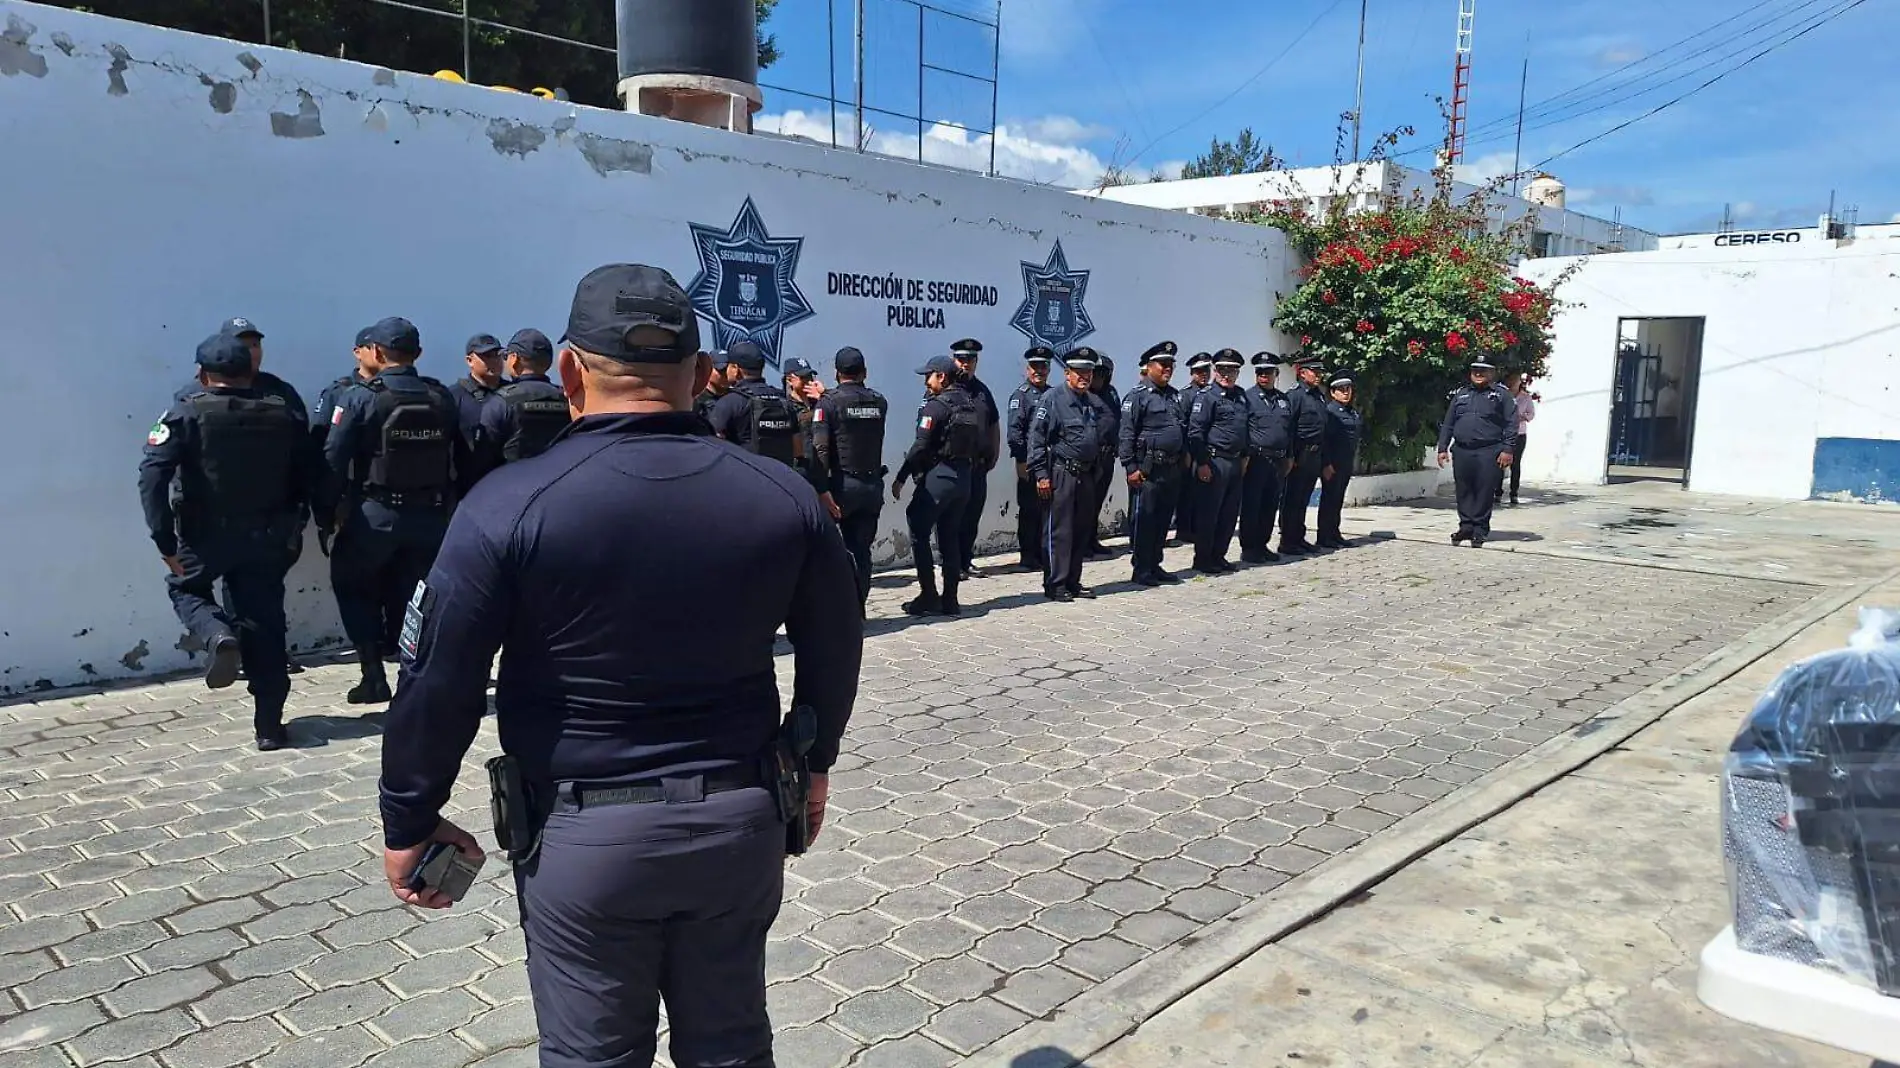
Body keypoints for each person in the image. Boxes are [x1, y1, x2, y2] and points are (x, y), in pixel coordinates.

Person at [375, 263, 861, 1068]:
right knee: (733, 1047)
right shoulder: (784, 496)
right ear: (704, 377)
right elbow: (835, 647)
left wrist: (409, 817)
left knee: (593, 1057)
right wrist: (813, 767)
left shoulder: (506, 504)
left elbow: (439, 680)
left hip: (583, 842)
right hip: (740, 823)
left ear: (570, 370)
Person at [140, 333, 318, 750]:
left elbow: (152, 476)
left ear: (202, 374)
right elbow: (311, 470)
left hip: (206, 536)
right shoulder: (282, 411)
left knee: (186, 590)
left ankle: (217, 633)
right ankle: (270, 728)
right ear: (249, 370)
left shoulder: (185, 412)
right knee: (266, 627)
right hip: (268, 536)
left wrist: (164, 539)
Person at [318, 316, 469, 704]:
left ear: (378, 352)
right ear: (417, 353)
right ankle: (415, 677)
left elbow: (333, 458)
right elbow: (462, 454)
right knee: (417, 597)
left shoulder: (362, 396)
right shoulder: (440, 396)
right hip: (431, 517)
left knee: (354, 588)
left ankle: (373, 676)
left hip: (375, 516)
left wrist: (324, 513)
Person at [177, 317, 312, 676]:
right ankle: (237, 648)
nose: (253, 351)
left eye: (256, 343)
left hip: (271, 518)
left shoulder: (278, 391)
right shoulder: (193, 397)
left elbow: (302, 453)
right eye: (244, 344)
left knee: (261, 597)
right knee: (222, 587)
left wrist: (300, 512)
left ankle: (258, 652)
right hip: (211, 520)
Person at [892, 355, 981, 617]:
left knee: (918, 529)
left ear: (941, 376)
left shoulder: (936, 407)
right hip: (964, 477)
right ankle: (950, 600)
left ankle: (929, 596)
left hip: (940, 476)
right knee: (949, 536)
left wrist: (902, 476)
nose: (926, 383)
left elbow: (920, 446)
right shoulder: (969, 404)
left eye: (928, 377)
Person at [1028, 348, 1109, 602]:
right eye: (1079, 371)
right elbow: (1037, 438)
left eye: (1088, 371)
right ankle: (1056, 583)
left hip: (1085, 475)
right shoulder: (1053, 399)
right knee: (1059, 531)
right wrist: (1041, 474)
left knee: (1081, 530)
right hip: (1061, 473)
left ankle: (1073, 580)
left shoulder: (1091, 402)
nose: (1085, 376)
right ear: (1067, 373)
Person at [812, 346, 888, 609]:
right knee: (861, 551)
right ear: (864, 372)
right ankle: (858, 608)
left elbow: (821, 448)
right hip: (872, 486)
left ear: (836, 373)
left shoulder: (828, 403)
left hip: (841, 487)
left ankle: (836, 610)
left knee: (831, 552)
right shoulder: (879, 401)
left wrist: (821, 488)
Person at [1118, 342, 1186, 587]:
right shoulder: (1137, 397)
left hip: (1171, 468)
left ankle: (1155, 564)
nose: (1168, 369)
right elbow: (1126, 434)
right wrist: (1130, 467)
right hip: (1147, 470)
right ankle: (1141, 568)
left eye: (1171, 365)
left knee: (1162, 519)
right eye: (1163, 364)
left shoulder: (1174, 395)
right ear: (1149, 367)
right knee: (1144, 520)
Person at [1437, 358, 1518, 548]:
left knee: (1483, 491)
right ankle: (1466, 526)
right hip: (1462, 450)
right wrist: (1442, 448)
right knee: (1463, 490)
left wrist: (1508, 449)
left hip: (1489, 451)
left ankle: (1480, 530)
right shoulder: (1461, 395)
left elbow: (1511, 423)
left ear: (1492, 373)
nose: (1478, 373)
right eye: (1475, 370)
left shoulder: (1501, 395)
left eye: (1483, 370)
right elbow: (1448, 423)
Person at [474, 328, 571, 479]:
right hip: (559, 485)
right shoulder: (568, 399)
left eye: (506, 356)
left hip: (512, 489)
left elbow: (482, 460)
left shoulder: (500, 402)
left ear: (514, 359)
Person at [1186, 349, 1251, 575]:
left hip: (1235, 462)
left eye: (1232, 370)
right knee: (1209, 514)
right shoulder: (1206, 397)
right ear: (1215, 370)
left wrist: (1245, 456)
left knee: (1229, 514)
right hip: (1214, 461)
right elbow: (1196, 432)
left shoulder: (1241, 396)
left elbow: (1246, 429)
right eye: (1222, 370)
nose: (1227, 374)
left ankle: (1219, 556)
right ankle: (1203, 558)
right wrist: (1202, 463)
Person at [950, 339, 1002, 580]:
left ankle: (966, 559)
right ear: (954, 360)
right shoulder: (946, 387)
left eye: (970, 360)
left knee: (972, 515)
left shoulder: (982, 391)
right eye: (961, 359)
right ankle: (952, 563)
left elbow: (993, 422)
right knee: (953, 517)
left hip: (977, 465)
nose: (965, 364)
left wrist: (994, 453)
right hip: (953, 466)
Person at [707, 342, 800, 466]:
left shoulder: (729, 403)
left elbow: (713, 449)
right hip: (780, 478)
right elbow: (798, 450)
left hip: (744, 479)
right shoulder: (783, 400)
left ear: (735, 369)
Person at [1239, 352, 1293, 564]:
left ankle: (1262, 544)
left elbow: (1288, 430)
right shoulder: (1247, 398)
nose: (1264, 376)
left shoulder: (1283, 399)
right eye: (1260, 372)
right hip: (1256, 460)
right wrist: (1244, 458)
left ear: (1276, 374)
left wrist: (1289, 456)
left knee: (1270, 505)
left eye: (1268, 372)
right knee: (1252, 505)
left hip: (1278, 460)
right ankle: (1249, 548)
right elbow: (1242, 430)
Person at [1005, 347, 1054, 573]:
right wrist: (1022, 461)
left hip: (1051, 462)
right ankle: (1027, 556)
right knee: (1029, 510)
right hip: (1030, 463)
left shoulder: (1054, 395)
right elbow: (1015, 432)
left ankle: (1043, 553)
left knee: (1047, 510)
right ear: (1027, 369)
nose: (1039, 371)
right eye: (1035, 367)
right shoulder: (1021, 396)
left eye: (1043, 367)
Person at [1278, 356, 1328, 556]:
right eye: (1314, 372)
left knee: (1303, 499)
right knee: (1292, 499)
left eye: (1319, 372)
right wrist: (1290, 456)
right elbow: (1288, 428)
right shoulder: (1295, 395)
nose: (1318, 376)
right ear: (1302, 372)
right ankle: (1288, 541)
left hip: (1314, 454)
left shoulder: (1318, 395)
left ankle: (1298, 537)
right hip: (1299, 454)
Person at [1172, 352, 1213, 546]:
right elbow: (1182, 425)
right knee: (1187, 491)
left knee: (1203, 492)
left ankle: (1198, 526)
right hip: (1190, 451)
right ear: (1192, 373)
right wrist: (1186, 452)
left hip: (1208, 450)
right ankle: (1184, 529)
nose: (1203, 374)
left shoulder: (1213, 393)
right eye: (1199, 371)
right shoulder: (1186, 394)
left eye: (1206, 370)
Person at [1317, 375, 1362, 548]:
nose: (1346, 393)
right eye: (1342, 390)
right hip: (1332, 463)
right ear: (1333, 393)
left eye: (1348, 389)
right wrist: (1326, 463)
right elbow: (1325, 439)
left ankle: (1334, 533)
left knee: (1337, 500)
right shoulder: (1330, 412)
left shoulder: (1351, 411)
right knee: (1329, 499)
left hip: (1345, 461)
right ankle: (1325, 536)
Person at [1086, 353, 1121, 557]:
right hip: (1090, 457)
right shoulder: (1082, 394)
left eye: (1102, 374)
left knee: (1097, 500)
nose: (1097, 378)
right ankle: (1081, 543)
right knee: (1084, 503)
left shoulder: (1111, 393)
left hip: (1107, 456)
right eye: (1095, 373)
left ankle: (1091, 539)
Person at [783, 357, 831, 500]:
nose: (808, 381)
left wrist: (824, 396)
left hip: (826, 474)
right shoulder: (786, 406)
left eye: (810, 377)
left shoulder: (821, 402)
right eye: (802, 377)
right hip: (802, 473)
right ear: (789, 380)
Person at [454, 334, 506, 452]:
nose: (494, 361)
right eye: (487, 356)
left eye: (498, 355)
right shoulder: (456, 396)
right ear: (469, 360)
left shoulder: (514, 392)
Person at [1500, 371, 1536, 506]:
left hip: (1519, 434)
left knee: (1515, 464)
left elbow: (1531, 414)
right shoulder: (1504, 395)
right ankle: (1497, 491)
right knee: (1500, 463)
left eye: (1516, 380)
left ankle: (1513, 493)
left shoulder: (1526, 398)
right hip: (1503, 433)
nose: (1513, 383)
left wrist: (1522, 417)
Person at [694, 350, 730, 422]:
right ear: (709, 369)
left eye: (727, 369)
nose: (725, 374)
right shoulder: (698, 401)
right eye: (721, 370)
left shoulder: (734, 398)